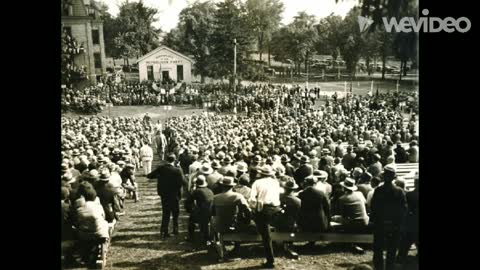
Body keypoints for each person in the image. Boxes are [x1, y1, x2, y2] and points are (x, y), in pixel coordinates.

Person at [370, 165, 407, 270]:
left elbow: (373, 208)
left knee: (378, 251)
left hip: (380, 224)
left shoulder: (378, 190)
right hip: (394, 225)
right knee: (391, 251)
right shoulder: (399, 192)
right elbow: (403, 210)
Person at [249, 166, 282, 268]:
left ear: (261, 174)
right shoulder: (275, 182)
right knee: (267, 230)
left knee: (266, 236)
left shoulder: (257, 183)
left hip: (265, 209)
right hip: (276, 208)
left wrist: (254, 209)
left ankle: (270, 260)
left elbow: (252, 199)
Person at [211, 176, 251, 260]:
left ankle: (221, 247)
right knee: (240, 220)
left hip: (219, 225)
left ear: (222, 186)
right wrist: (247, 220)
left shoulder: (215, 197)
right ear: (232, 186)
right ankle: (237, 248)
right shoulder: (238, 196)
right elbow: (247, 210)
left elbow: (211, 212)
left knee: (215, 221)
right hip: (234, 225)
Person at [147, 153, 186, 239]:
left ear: (166, 160)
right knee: (175, 213)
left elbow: (149, 176)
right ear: (175, 160)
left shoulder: (161, 168)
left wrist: (160, 176)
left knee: (166, 213)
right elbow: (184, 182)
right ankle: (175, 230)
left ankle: (164, 231)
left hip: (164, 194)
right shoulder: (177, 170)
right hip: (175, 194)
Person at [297, 175, 330, 247]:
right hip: (320, 223)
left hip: (305, 223)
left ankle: (311, 241)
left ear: (306, 183)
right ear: (315, 183)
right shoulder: (321, 193)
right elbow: (327, 207)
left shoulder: (301, 194)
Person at [184, 175, 214, 245]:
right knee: (205, 222)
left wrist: (189, 210)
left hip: (202, 212)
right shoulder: (209, 190)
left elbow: (188, 201)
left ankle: (191, 237)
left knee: (191, 219)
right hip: (211, 211)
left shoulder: (196, 191)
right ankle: (207, 238)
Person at [397, 173, 419, 265]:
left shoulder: (409, 195)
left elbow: (405, 209)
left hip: (411, 223)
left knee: (405, 244)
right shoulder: (410, 195)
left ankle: (401, 257)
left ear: (415, 183)